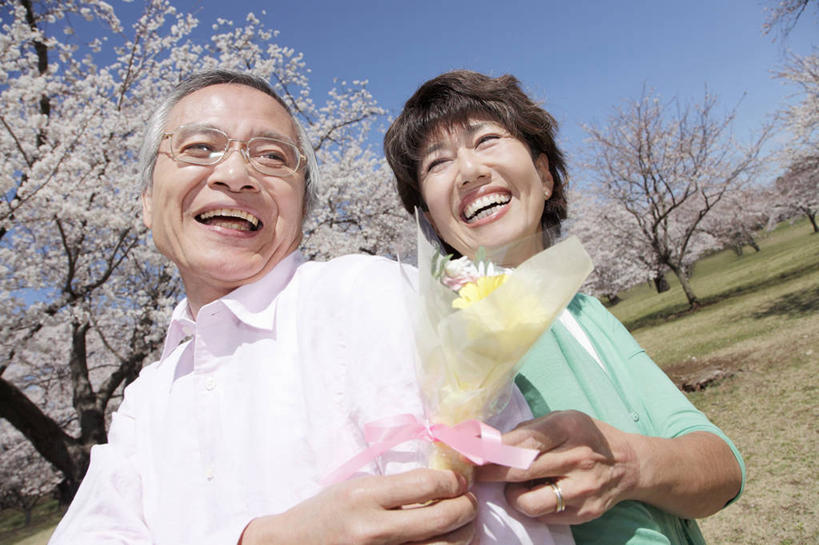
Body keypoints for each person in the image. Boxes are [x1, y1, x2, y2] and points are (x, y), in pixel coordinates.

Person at [48, 69, 574, 545]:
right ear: (145, 200)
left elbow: (502, 519)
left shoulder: (367, 295)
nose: (235, 174)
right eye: (200, 148)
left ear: (303, 206)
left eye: (272, 157)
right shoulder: (146, 402)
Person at [383, 69, 745, 545]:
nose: (470, 171)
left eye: (488, 139)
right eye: (437, 163)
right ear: (429, 219)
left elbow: (723, 471)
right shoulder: (431, 336)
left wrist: (630, 466)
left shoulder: (586, 313)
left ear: (546, 176)